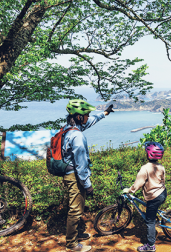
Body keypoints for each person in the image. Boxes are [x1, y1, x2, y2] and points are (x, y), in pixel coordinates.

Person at [63, 99, 114, 252]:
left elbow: (90, 121)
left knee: (76, 207)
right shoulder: (77, 136)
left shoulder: (68, 128)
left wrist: (104, 113)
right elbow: (81, 164)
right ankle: (71, 244)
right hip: (75, 176)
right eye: (86, 114)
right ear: (79, 117)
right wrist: (88, 184)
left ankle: (76, 234)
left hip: (69, 173)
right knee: (75, 210)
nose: (88, 116)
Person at [122, 141, 167, 252]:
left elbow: (138, 183)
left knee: (149, 221)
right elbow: (163, 180)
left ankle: (150, 246)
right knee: (152, 209)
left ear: (148, 154)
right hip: (162, 192)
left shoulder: (145, 168)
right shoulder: (160, 167)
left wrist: (130, 190)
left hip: (154, 196)